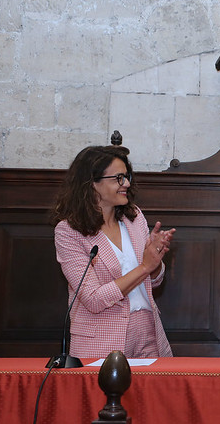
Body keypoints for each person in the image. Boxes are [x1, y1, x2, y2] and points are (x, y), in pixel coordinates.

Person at [52, 145, 175, 359]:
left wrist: (154, 264)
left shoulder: (134, 217)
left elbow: (152, 282)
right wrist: (145, 266)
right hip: (101, 339)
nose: (126, 183)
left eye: (126, 177)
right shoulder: (69, 232)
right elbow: (93, 299)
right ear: (92, 184)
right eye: (118, 178)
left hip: (148, 330)